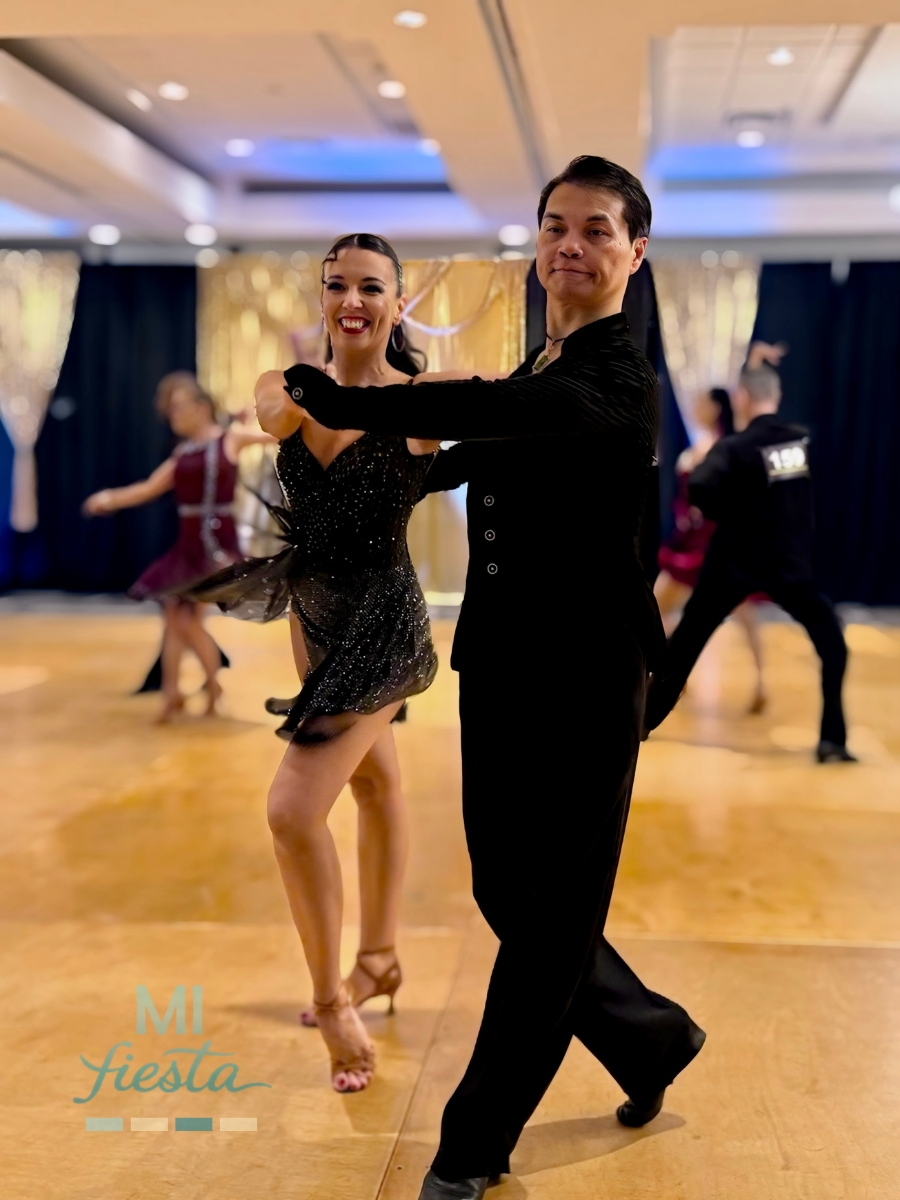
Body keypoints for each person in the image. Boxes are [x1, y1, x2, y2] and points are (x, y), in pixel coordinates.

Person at [284, 157, 706, 1200]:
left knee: (550, 917)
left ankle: (473, 1143)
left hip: (590, 676)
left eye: (597, 230)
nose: (571, 244)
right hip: (503, 663)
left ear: (635, 253)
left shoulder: (616, 378)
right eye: (556, 225)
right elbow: (465, 451)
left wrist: (346, 394)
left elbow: (497, 410)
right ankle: (650, 1037)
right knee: (504, 892)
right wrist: (352, 467)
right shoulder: (542, 365)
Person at [190, 233, 441, 1095]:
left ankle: (334, 1001)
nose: (352, 301)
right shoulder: (287, 385)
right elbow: (272, 415)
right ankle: (381, 958)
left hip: (385, 627)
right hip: (313, 618)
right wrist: (300, 389)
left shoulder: (420, 404)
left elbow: (489, 400)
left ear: (399, 302)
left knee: (293, 811)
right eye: (337, 286)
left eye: (371, 287)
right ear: (323, 296)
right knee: (374, 783)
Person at [645, 361, 855, 763]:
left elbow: (700, 486)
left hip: (733, 563)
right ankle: (833, 741)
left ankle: (641, 722)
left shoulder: (734, 447)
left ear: (742, 397)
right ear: (776, 396)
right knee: (832, 643)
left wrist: (730, 514)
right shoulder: (797, 443)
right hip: (787, 566)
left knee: (684, 647)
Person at [82, 373, 273, 722]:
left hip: (216, 545)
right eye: (170, 410)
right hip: (188, 548)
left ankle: (213, 689)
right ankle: (174, 694)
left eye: (180, 407)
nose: (174, 415)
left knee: (184, 620)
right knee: (174, 618)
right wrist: (108, 498)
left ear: (201, 407)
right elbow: (147, 488)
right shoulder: (182, 453)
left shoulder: (231, 438)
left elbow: (275, 433)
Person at [655, 386, 766, 713]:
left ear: (716, 408)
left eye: (703, 402)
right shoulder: (714, 445)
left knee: (659, 610)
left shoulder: (718, 448)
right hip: (700, 544)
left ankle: (669, 676)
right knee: (737, 615)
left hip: (707, 545)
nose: (696, 407)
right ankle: (674, 674)